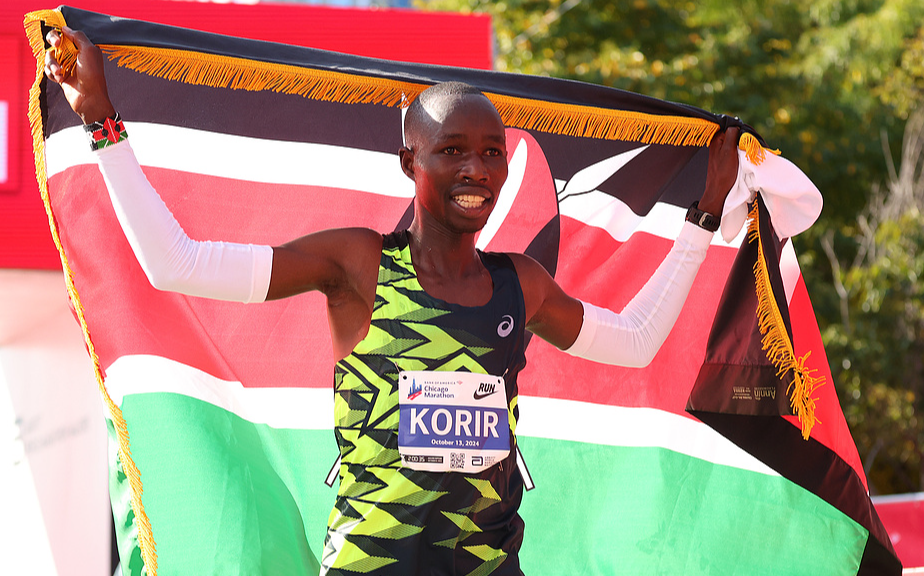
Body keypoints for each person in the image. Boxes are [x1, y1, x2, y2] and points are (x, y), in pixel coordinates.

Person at [45, 26, 739, 576]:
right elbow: (179, 265)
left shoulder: (519, 282)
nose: (476, 169)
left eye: (493, 153)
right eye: (453, 150)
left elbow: (634, 340)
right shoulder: (358, 262)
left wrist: (702, 218)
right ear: (411, 162)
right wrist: (102, 121)